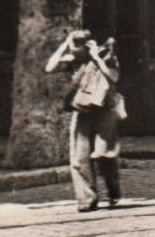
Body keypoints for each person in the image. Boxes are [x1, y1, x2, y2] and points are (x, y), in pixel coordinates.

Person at [45, 29, 123, 212]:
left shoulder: (107, 56)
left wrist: (96, 57)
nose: (77, 48)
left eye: (81, 43)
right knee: (80, 158)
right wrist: (65, 43)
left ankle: (113, 191)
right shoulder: (74, 61)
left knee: (104, 155)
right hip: (82, 111)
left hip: (105, 111)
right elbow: (49, 67)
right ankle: (87, 199)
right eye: (75, 44)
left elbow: (113, 78)